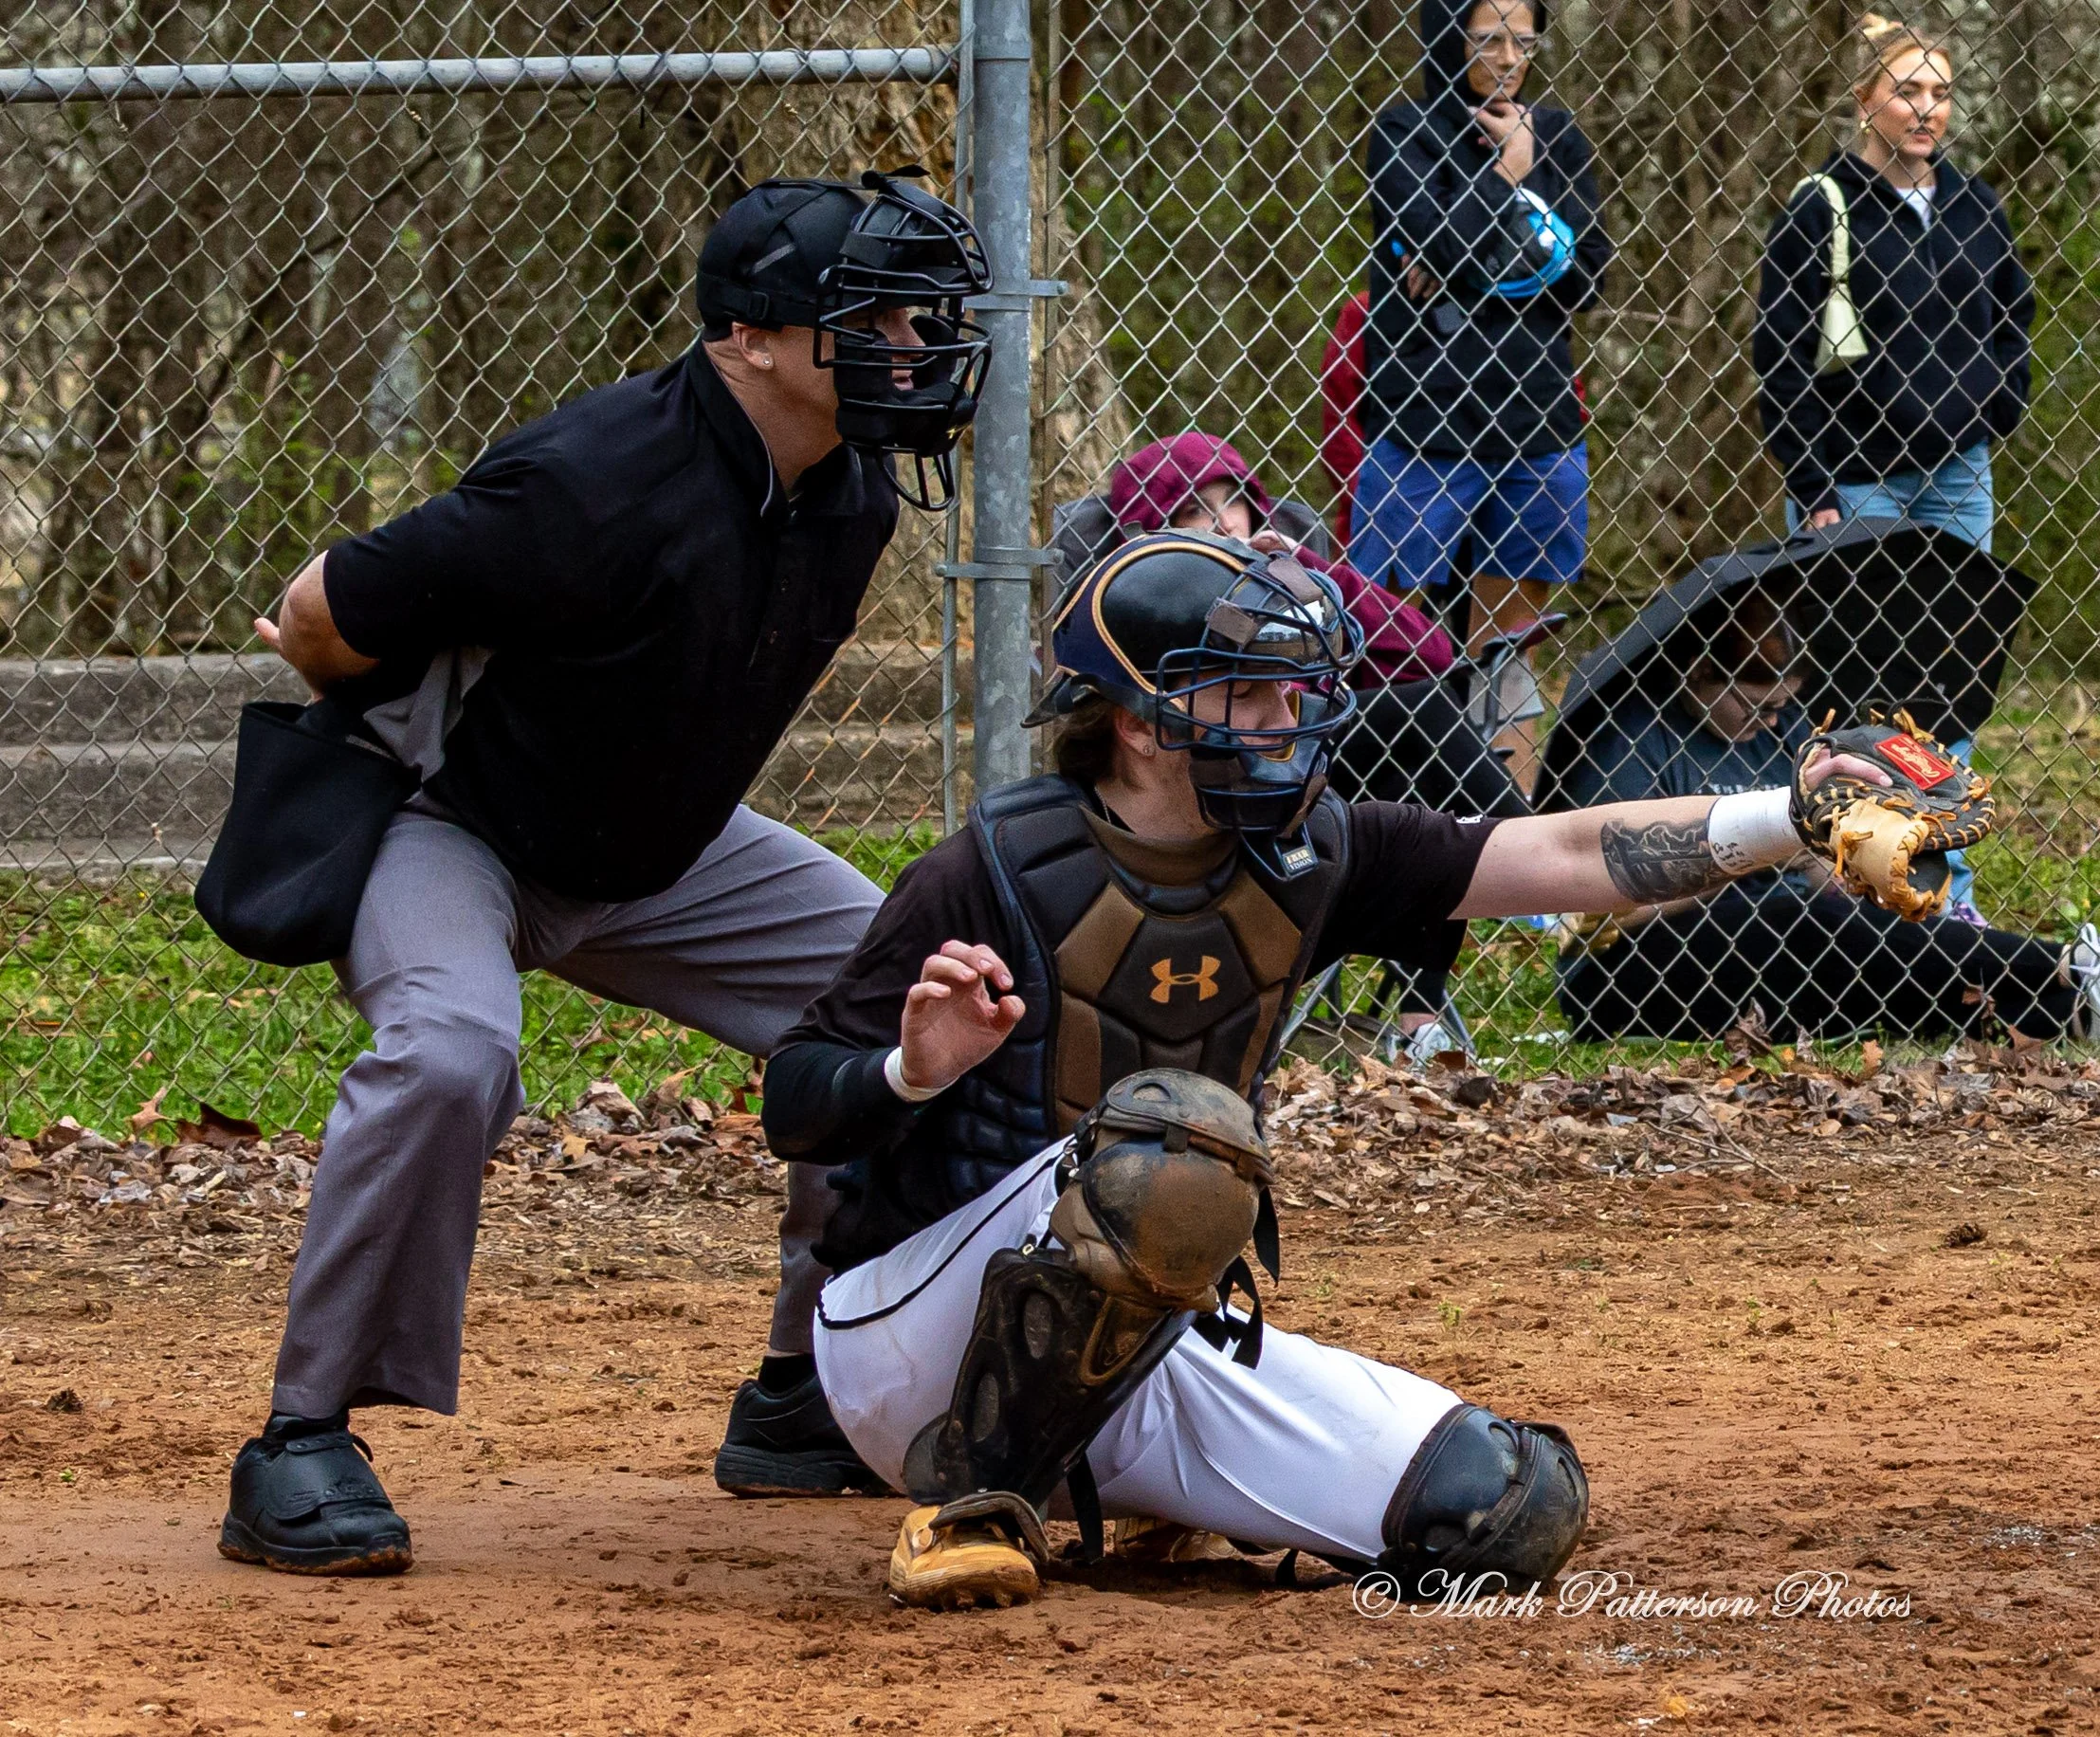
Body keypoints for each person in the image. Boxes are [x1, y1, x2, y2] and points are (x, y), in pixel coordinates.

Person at [760, 532, 1895, 1608]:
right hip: (910, 1349)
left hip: (1133, 1347)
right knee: (1172, 1141)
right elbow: (796, 1103)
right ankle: (972, 1504)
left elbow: (1554, 851)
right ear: (1143, 723)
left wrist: (1797, 817)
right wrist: (913, 1068)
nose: (1284, 724)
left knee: (1500, 1506)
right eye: (1247, 696)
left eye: (1293, 696)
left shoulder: (1314, 850)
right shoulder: (987, 871)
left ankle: (1125, 1481)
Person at [218, 170, 993, 1574]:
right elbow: (321, 610)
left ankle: (806, 1396)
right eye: (869, 316)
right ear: (747, 338)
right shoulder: (588, 481)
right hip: (456, 826)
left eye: (916, 315)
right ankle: (301, 1437)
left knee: (901, 991)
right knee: (451, 1051)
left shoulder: (852, 495)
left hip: (657, 851)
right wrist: (360, 698)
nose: (909, 345)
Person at [1753, 13, 2033, 921]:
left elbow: (2010, 321)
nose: (1924, 109)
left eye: (1939, 92)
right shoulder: (1819, 206)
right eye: (1905, 89)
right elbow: (1780, 354)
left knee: (1952, 672)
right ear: (1865, 97)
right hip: (1859, 478)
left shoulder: (1974, 205)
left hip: (1958, 472)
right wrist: (1815, 490)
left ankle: (1949, 898)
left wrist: (1995, 405)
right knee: (1862, 687)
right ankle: (1863, 896)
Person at [1549, 594, 2098, 1044]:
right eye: (1753, 703)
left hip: (1796, 947)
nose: (1767, 721)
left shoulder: (1785, 732)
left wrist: (1847, 862)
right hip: (1634, 967)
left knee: (1863, 933)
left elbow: (1817, 860)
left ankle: (2071, 1010)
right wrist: (1752, 853)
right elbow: (1605, 910)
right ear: (1697, 672)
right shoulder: (1630, 742)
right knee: (1804, 923)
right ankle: (2067, 964)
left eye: (1780, 705)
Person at [1355, 0, 1609, 790]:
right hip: (1421, 423)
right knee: (1394, 632)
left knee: (1507, 642)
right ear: (1447, 38)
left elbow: (1589, 272)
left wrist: (1467, 254)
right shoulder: (1405, 133)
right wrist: (1509, 181)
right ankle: (1396, 806)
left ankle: (1505, 823)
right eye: (1487, 38)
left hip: (1533, 422)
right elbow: (1436, 235)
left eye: (1522, 41)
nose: (1506, 57)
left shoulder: (1558, 136)